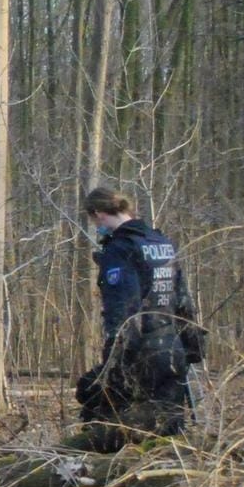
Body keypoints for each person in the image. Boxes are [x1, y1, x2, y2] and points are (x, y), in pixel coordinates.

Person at [74, 186, 201, 450]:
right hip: (173, 350)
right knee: (168, 433)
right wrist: (191, 348)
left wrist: (115, 361)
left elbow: (123, 310)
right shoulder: (162, 243)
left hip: (140, 355)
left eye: (95, 221)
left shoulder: (120, 250)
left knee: (110, 420)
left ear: (98, 214)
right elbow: (183, 300)